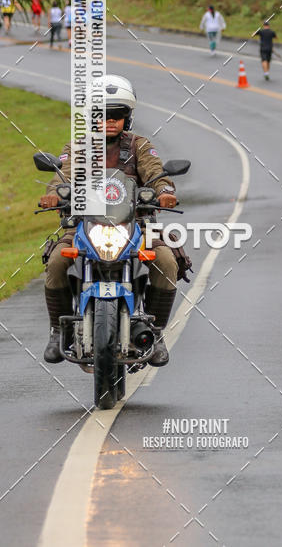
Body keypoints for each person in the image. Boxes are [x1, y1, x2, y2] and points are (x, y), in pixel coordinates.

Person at [39, 75, 191, 366]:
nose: (110, 121)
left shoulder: (139, 145)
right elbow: (64, 174)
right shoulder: (79, 147)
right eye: (103, 115)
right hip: (84, 226)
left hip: (137, 225)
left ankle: (156, 334)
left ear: (127, 118)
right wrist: (54, 195)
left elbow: (157, 173)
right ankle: (56, 330)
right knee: (57, 261)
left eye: (118, 116)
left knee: (168, 262)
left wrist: (166, 192)